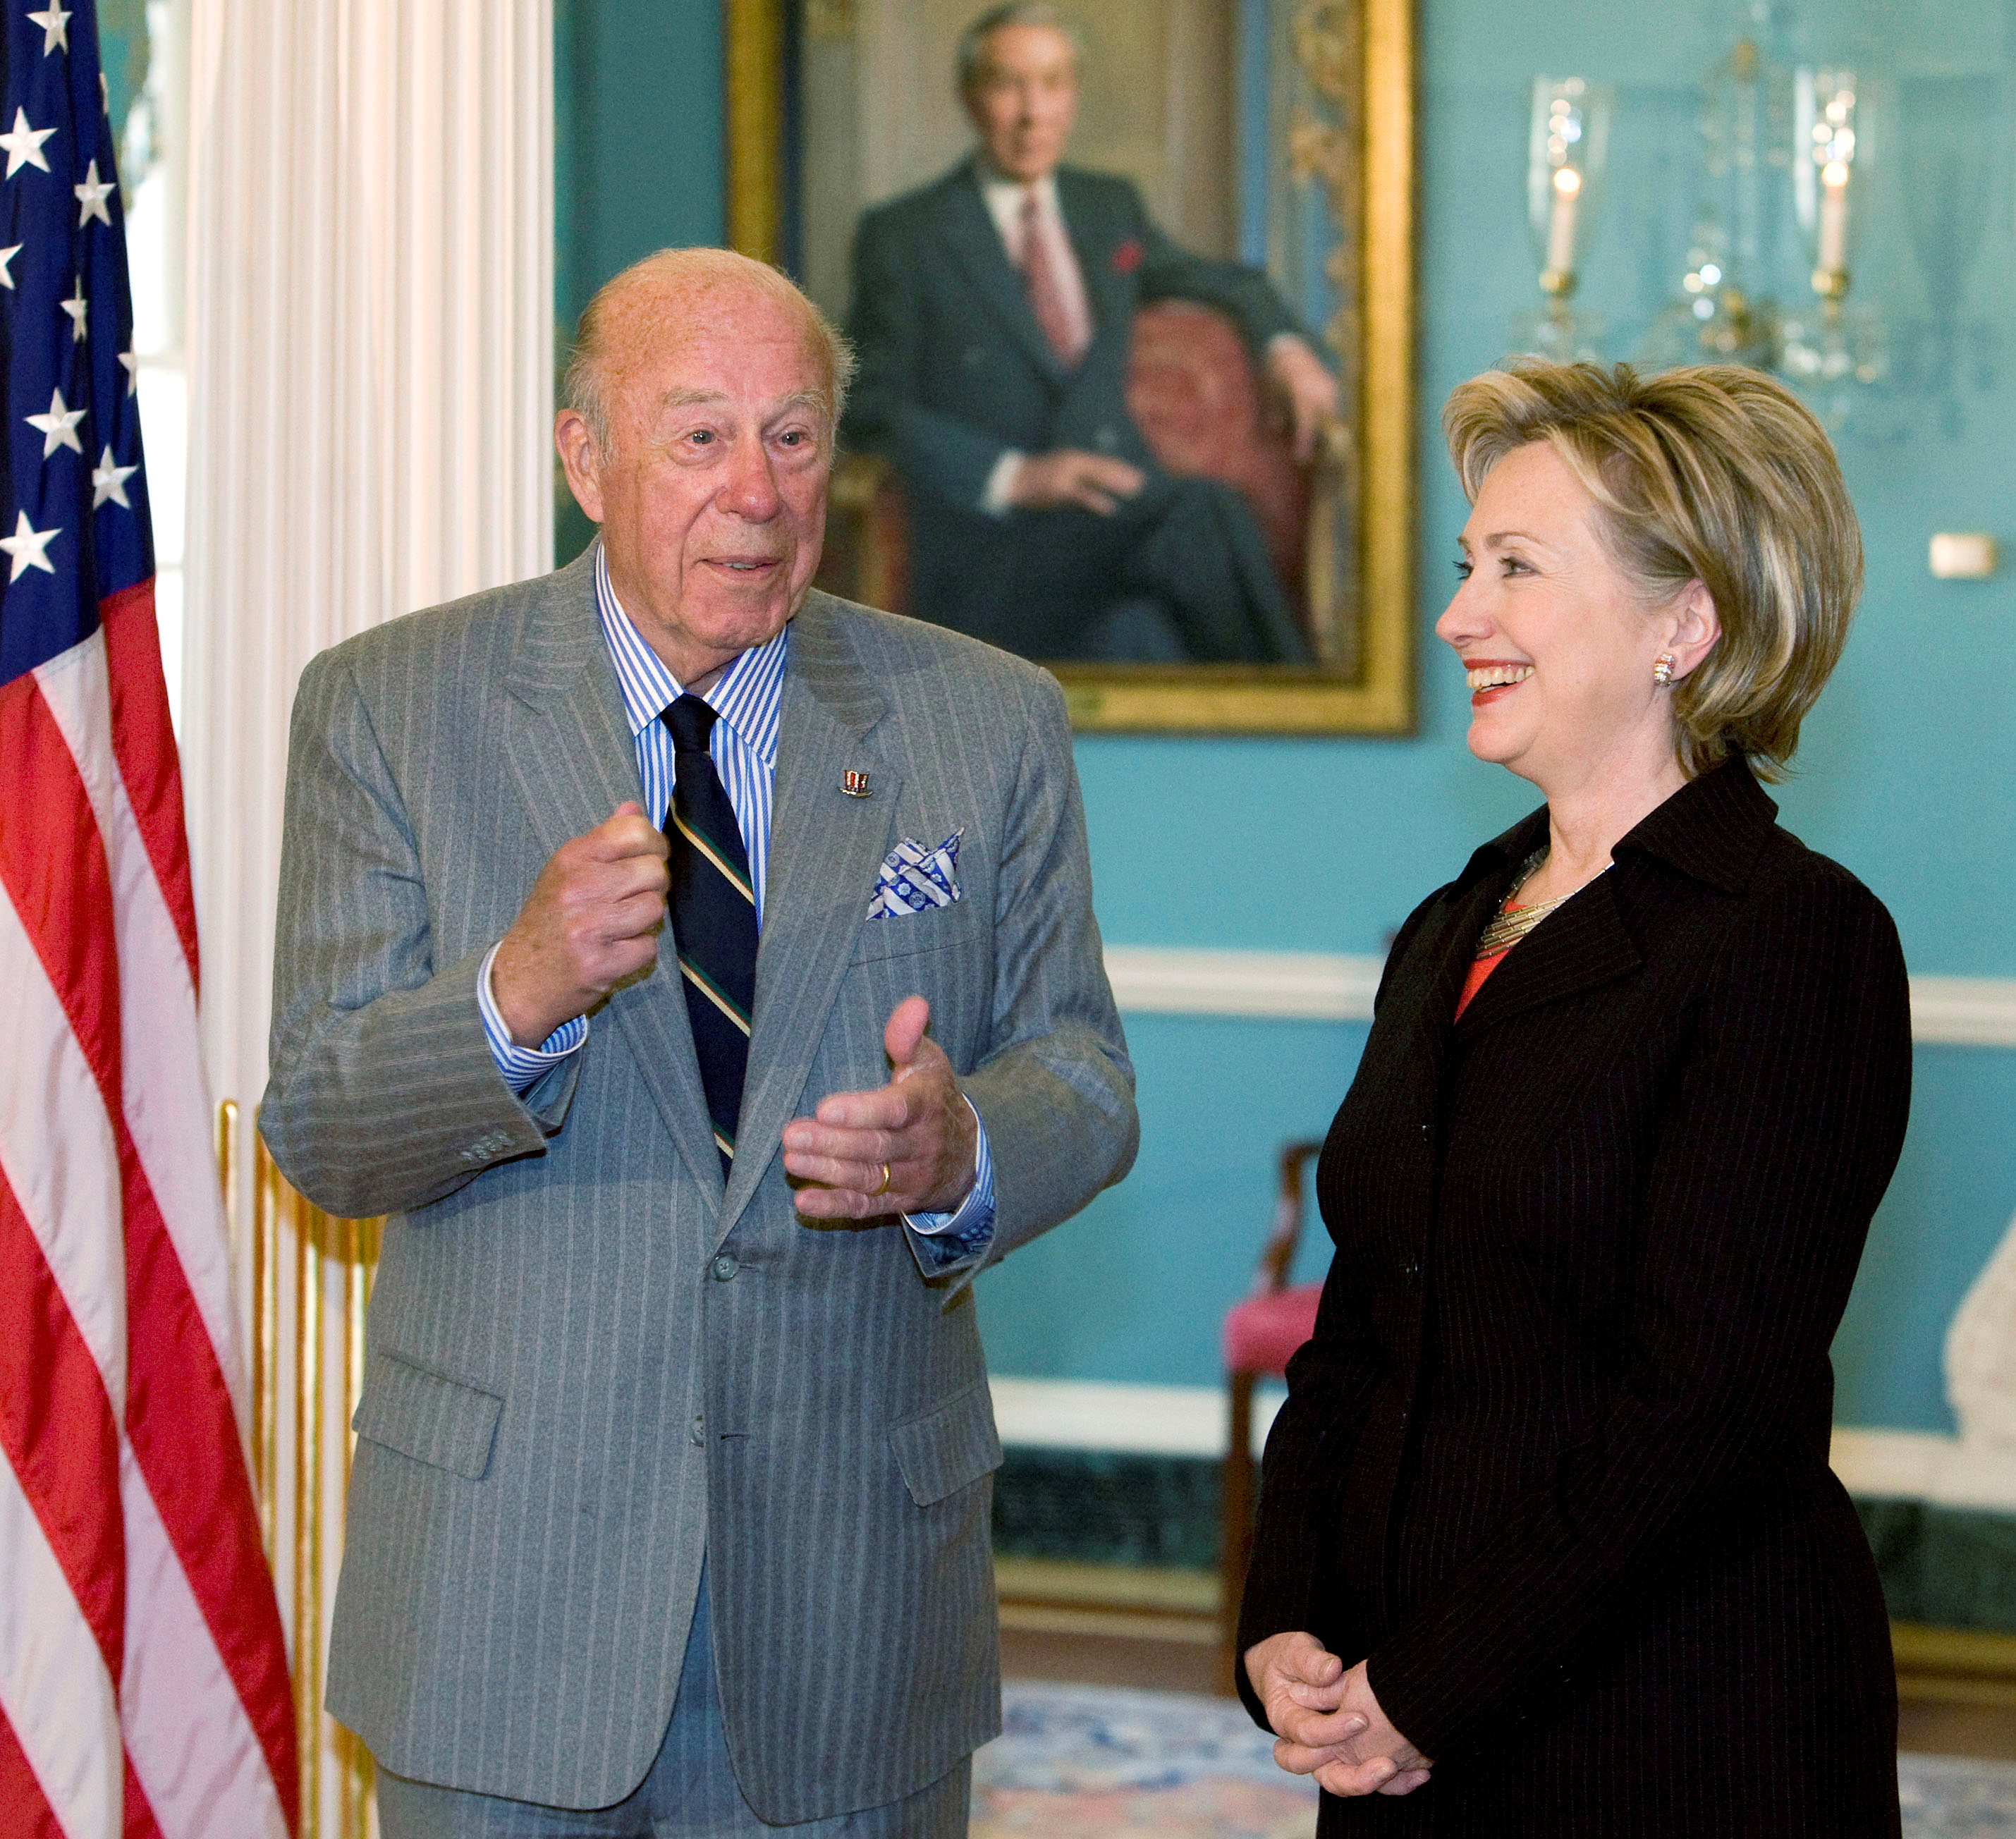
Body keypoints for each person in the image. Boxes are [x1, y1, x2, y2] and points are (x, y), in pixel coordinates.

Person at [258, 246, 1138, 1838]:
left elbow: (1079, 1070)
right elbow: (320, 1124)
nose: (756, 488)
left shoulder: (984, 716)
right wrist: (513, 992)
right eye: (700, 436)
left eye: (792, 437)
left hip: (852, 1600)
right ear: (582, 457)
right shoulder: (391, 705)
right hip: (502, 1604)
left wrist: (959, 1149)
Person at [1237, 359, 1912, 1834]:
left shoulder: (1791, 936)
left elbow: (1704, 1406)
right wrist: (1286, 1615)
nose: (1455, 615)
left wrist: (1433, 1684)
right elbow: (1361, 1324)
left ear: (1685, 622)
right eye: (1465, 564)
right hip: (1408, 1709)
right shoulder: (1455, 916)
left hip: (1671, 1721)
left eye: (1516, 568)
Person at [843, 1, 1336, 665]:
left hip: (1119, 528)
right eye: (1006, 84)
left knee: (1154, 621)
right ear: (969, 97)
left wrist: (1288, 350)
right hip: (997, 548)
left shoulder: (1106, 208)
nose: (1032, 112)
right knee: (1203, 515)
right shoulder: (906, 236)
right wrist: (1018, 476)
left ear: (1071, 94)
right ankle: (1315, 715)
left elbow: (1228, 283)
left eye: (1051, 84)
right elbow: (867, 407)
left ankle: (1302, 715)